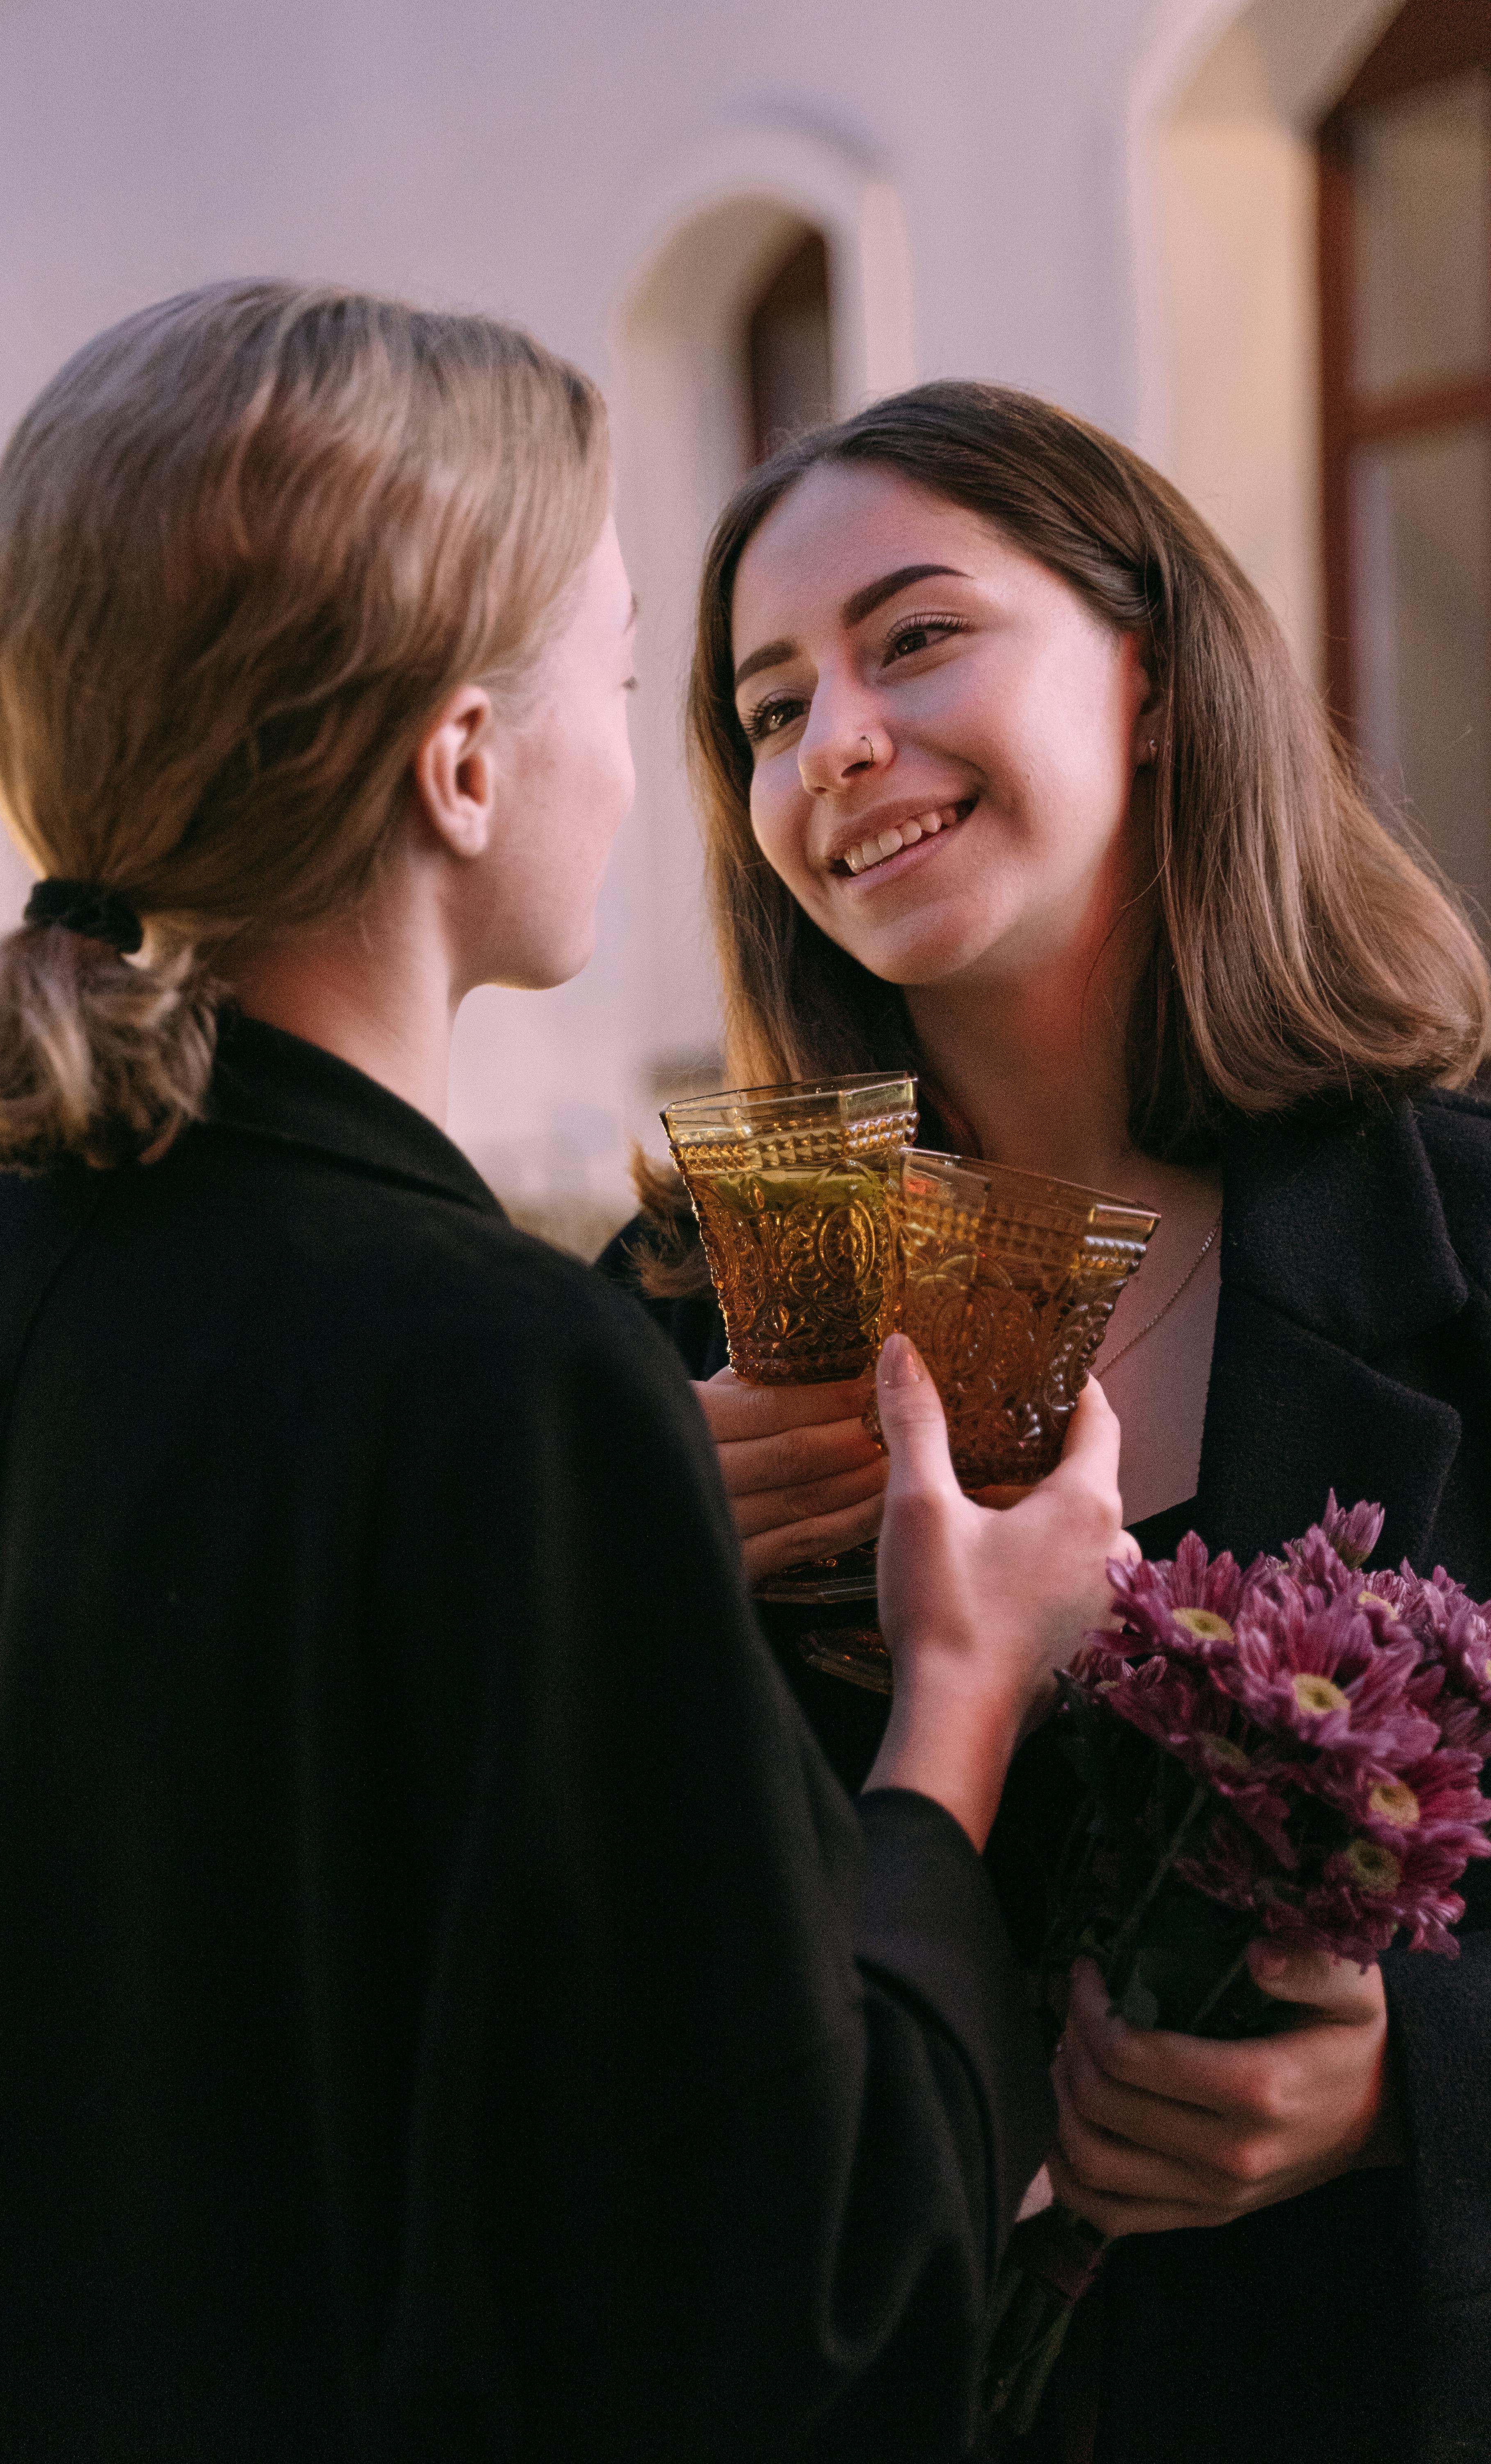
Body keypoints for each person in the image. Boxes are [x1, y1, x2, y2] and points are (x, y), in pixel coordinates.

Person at [0, 288, 1138, 2464]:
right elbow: (799, 2322)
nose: (689, 765)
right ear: (463, 764)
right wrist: (965, 1697)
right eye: (642, 683)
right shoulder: (505, 1368)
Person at [600, 382, 1491, 2464]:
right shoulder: (661, 1339)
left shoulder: (1468, 1249)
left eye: (913, 638)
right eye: (763, 705)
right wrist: (627, 1603)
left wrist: (1406, 2087)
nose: (831, 742)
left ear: (1159, 684)